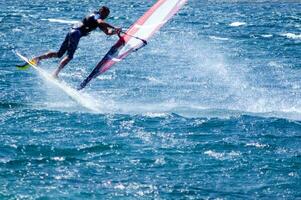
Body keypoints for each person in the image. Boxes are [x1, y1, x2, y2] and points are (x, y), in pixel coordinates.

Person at [23, 6, 121, 78]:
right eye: (105, 14)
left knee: (59, 54)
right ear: (101, 11)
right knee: (69, 56)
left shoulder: (99, 20)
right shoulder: (96, 16)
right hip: (76, 33)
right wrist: (114, 27)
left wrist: (114, 31)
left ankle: (37, 59)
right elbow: (101, 22)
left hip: (72, 31)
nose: (106, 16)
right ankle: (55, 74)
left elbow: (107, 32)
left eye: (107, 15)